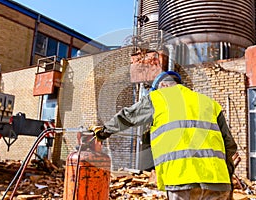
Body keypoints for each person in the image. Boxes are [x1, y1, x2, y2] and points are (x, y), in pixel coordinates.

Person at [91, 71, 237, 200]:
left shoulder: (157, 98)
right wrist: (227, 176)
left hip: (180, 179)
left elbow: (128, 117)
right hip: (218, 181)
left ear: (163, 85)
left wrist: (103, 132)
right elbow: (229, 145)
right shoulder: (209, 103)